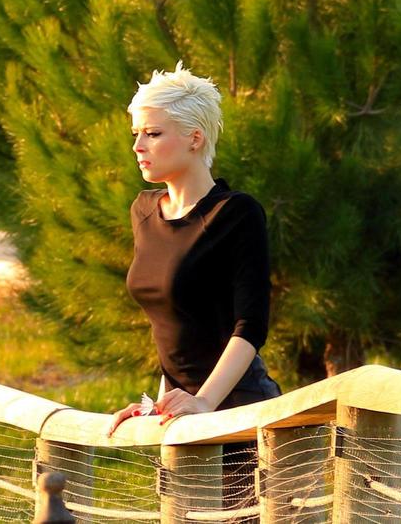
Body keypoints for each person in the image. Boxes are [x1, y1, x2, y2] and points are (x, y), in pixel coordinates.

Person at [105, 63, 280, 503]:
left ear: (194, 138)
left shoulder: (237, 214)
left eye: (152, 133)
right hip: (182, 417)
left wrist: (204, 402)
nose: (138, 146)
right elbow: (172, 323)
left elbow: (250, 327)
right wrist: (159, 404)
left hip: (240, 413)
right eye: (136, 134)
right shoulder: (144, 211)